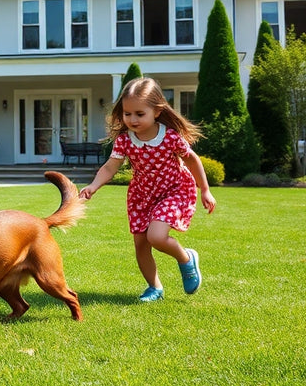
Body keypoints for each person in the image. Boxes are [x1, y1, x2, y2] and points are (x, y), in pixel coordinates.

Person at [79, 77, 216, 302]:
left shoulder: (170, 137)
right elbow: (110, 166)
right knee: (141, 243)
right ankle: (155, 288)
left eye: (139, 114)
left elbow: (192, 160)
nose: (132, 119)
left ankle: (186, 259)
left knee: (157, 237)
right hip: (142, 195)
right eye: (127, 113)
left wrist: (205, 190)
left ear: (157, 111)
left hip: (173, 190)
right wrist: (93, 186)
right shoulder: (124, 140)